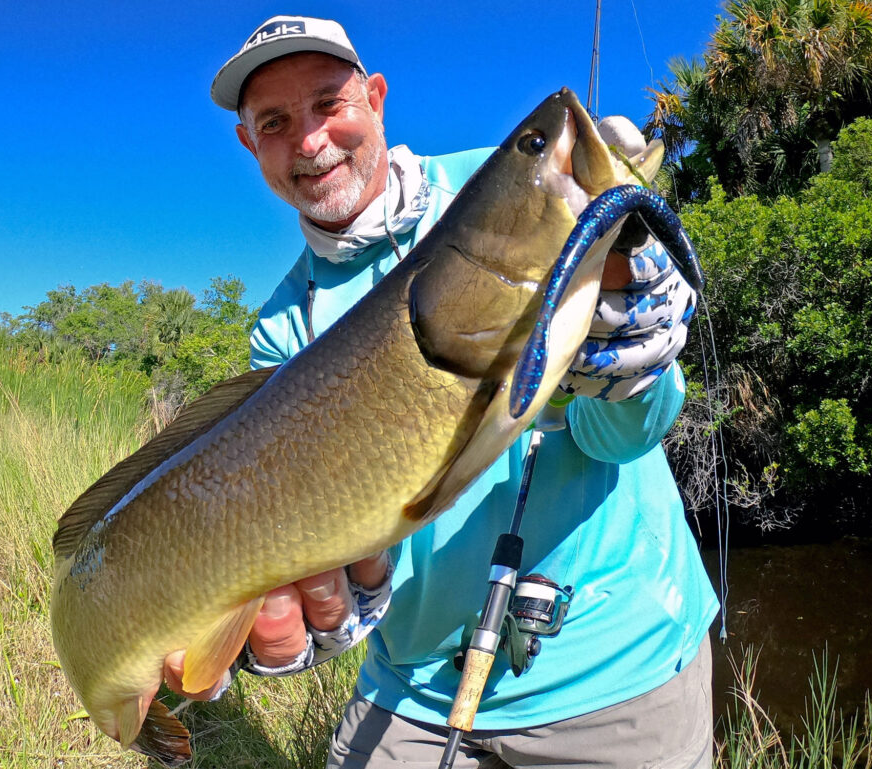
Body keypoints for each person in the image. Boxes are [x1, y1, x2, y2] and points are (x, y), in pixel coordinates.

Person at [166, 15, 719, 769]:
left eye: (329, 104)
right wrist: (304, 619)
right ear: (250, 144)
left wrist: (628, 343)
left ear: (376, 97)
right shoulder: (279, 327)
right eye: (275, 122)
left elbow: (626, 434)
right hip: (413, 688)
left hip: (615, 666)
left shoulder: (502, 190)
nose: (310, 140)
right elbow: (334, 536)